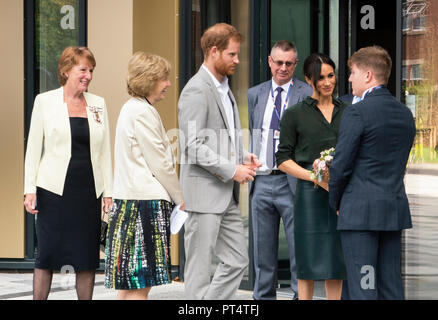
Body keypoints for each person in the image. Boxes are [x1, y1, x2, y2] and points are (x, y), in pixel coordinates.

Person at [178, 23, 261, 300]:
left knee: (238, 260)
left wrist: (242, 156)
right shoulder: (196, 90)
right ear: (214, 52)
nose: (237, 60)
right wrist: (232, 169)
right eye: (232, 54)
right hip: (203, 195)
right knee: (199, 271)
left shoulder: (224, 87)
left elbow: (218, 137)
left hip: (225, 196)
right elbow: (191, 145)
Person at [23, 46, 113, 300]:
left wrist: (109, 192)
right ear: (65, 71)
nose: (88, 75)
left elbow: (105, 151)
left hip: (89, 190)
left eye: (91, 70)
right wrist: (29, 189)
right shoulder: (45, 101)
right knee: (48, 254)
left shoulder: (98, 104)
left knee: (86, 256)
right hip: (53, 190)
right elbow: (33, 150)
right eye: (82, 69)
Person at [329, 46, 416, 300]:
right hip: (392, 211)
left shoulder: (357, 111)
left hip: (360, 214)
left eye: (352, 72)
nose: (349, 78)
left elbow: (341, 165)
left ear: (368, 75)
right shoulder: (405, 114)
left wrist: (336, 201)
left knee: (363, 287)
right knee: (390, 287)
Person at [104, 52, 185, 300]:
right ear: (149, 80)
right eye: (164, 78)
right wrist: (181, 198)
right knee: (141, 282)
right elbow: (160, 163)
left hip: (131, 202)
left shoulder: (133, 109)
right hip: (144, 206)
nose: (168, 84)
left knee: (130, 283)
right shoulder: (142, 112)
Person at [275, 53, 347, 300]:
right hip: (309, 194)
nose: (327, 82)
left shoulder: (347, 111)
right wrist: (314, 176)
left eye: (331, 76)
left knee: (336, 260)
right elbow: (282, 159)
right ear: (308, 80)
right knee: (306, 259)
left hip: (340, 194)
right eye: (320, 78)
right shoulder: (295, 114)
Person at [247, 40, 312, 300]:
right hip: (261, 181)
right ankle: (263, 298)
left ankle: (299, 296)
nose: (282, 68)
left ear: (295, 64)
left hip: (292, 181)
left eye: (288, 63)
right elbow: (255, 133)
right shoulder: (255, 94)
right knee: (262, 251)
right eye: (278, 62)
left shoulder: (307, 94)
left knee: (298, 248)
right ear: (269, 62)